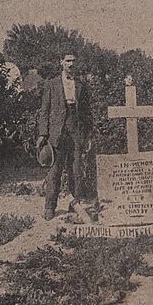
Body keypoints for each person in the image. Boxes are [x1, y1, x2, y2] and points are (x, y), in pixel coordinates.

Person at [37, 52, 92, 220]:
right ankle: (50, 207)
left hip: (75, 131)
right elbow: (44, 111)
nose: (71, 64)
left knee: (76, 170)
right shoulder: (51, 84)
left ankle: (75, 205)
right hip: (57, 133)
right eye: (68, 61)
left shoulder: (82, 85)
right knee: (55, 171)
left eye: (74, 61)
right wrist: (42, 134)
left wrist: (88, 136)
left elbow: (87, 114)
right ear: (61, 62)